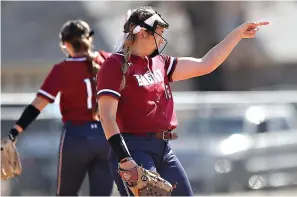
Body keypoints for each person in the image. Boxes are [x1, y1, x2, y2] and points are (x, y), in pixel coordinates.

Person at [96, 6, 269, 196]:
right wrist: (124, 159)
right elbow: (106, 116)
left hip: (164, 149)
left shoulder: (160, 63)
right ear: (143, 34)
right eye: (158, 33)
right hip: (134, 149)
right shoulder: (115, 65)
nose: (162, 39)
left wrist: (236, 35)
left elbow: (206, 64)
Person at [2, 20, 113, 196]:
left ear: (65, 44)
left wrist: (14, 133)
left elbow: (37, 106)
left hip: (76, 137)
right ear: (89, 39)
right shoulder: (106, 60)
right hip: (105, 137)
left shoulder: (62, 70)